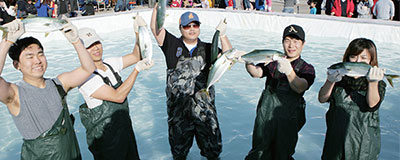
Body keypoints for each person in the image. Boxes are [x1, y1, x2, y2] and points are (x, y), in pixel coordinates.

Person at [151, 5, 238, 159]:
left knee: (213, 152)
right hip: (179, 114)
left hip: (205, 112)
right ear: (180, 28)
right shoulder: (171, 45)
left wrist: (222, 35)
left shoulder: (208, 47)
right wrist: (159, 6)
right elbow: (155, 28)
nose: (191, 29)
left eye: (195, 25)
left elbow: (230, 58)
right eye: (187, 26)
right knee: (179, 154)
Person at [0, 17, 95, 159]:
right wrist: (7, 42)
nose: (37, 61)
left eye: (40, 54)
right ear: (17, 65)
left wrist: (76, 41)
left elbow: (88, 69)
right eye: (29, 57)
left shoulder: (59, 84)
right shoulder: (14, 94)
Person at [77, 16, 153, 160]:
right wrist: (136, 70)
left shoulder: (110, 64)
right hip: (106, 141)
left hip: (125, 132)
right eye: (89, 46)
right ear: (82, 50)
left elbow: (136, 56)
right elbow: (118, 96)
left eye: (97, 43)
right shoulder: (85, 78)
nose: (96, 48)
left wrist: (138, 33)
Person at [245, 24, 315, 160]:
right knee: (259, 151)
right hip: (266, 115)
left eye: (296, 41)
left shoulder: (307, 68)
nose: (291, 45)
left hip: (289, 119)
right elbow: (257, 73)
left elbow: (300, 87)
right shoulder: (273, 61)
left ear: (303, 44)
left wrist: (289, 72)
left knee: (283, 153)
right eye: (287, 40)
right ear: (282, 42)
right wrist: (248, 61)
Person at [318, 38, 386, 160]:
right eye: (353, 57)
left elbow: (372, 104)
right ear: (347, 57)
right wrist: (330, 81)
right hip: (335, 142)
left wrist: (372, 83)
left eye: (363, 58)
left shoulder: (378, 83)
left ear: (371, 61)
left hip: (363, 146)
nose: (357, 61)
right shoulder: (340, 78)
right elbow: (322, 98)